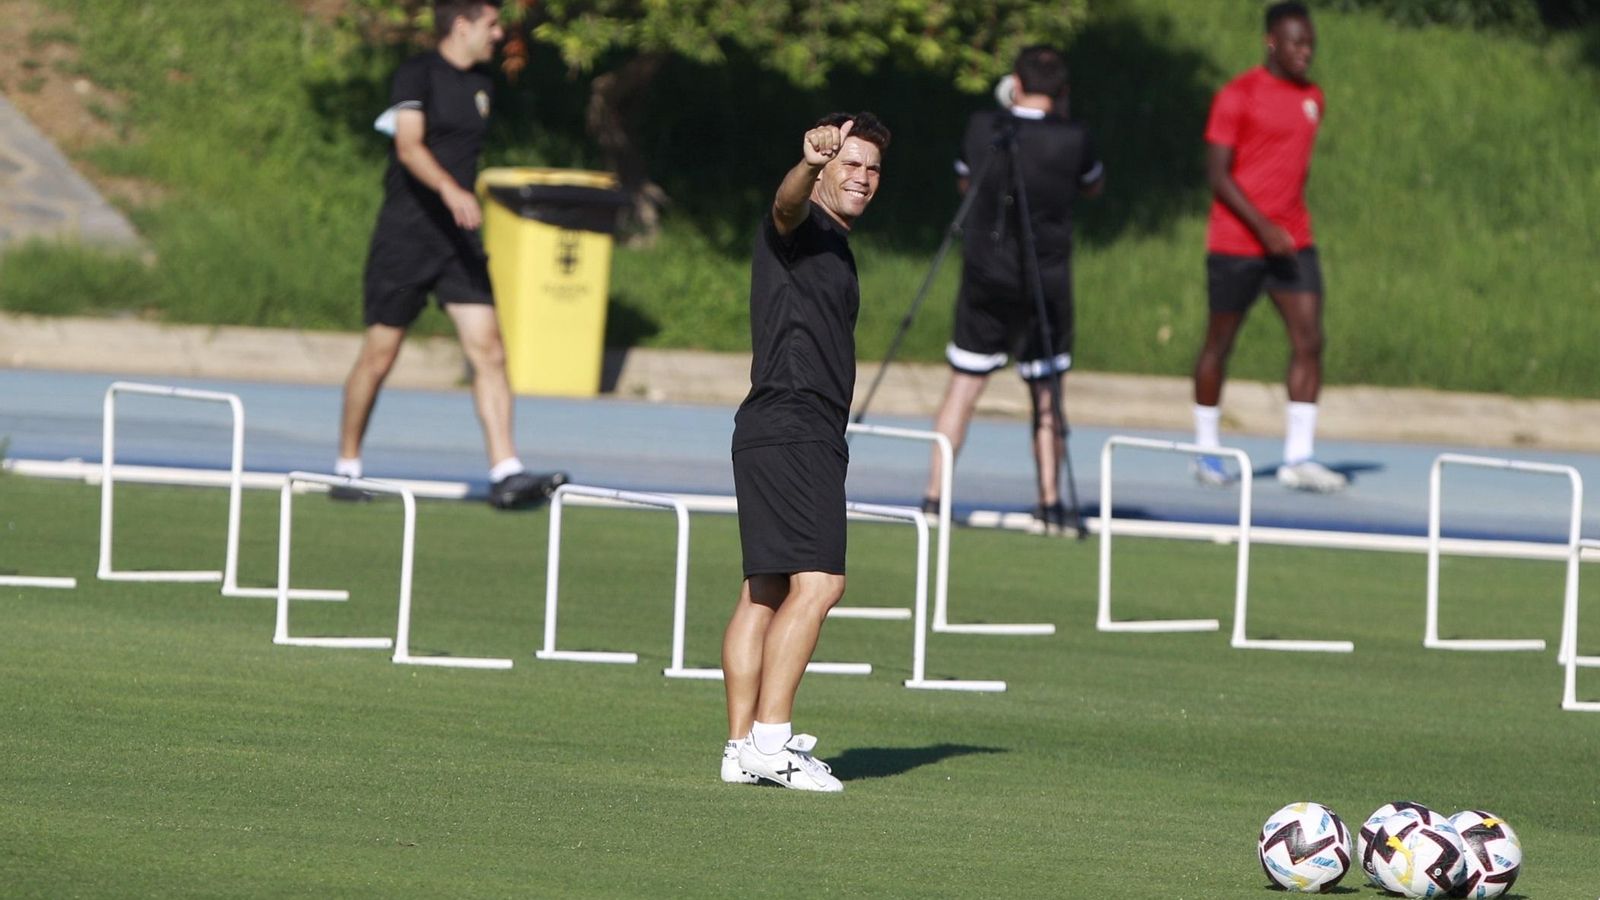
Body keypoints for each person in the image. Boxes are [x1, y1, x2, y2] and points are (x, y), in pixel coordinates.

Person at [334, 0, 565, 509]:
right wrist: (451, 190)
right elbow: (409, 147)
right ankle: (346, 467)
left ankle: (506, 471)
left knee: (489, 349)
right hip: (407, 237)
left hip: (457, 244)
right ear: (461, 25)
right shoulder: (416, 75)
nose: (500, 33)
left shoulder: (483, 83)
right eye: (491, 24)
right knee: (380, 354)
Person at [720, 112, 891, 792]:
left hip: (768, 425)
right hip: (796, 424)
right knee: (820, 583)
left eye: (873, 168)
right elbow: (784, 203)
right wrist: (805, 164)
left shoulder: (836, 247)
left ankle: (739, 748)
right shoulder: (801, 225)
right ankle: (771, 741)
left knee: (764, 592)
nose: (862, 177)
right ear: (824, 168)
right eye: (849, 163)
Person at [921, 46, 1104, 534]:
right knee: (1046, 394)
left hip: (984, 275)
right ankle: (1048, 500)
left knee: (964, 384)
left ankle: (935, 495)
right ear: (1062, 90)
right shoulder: (1074, 138)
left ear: (1015, 82)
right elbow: (1092, 186)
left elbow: (967, 184)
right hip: (1045, 283)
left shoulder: (984, 128)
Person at [1191, 1, 1346, 492]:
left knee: (1310, 340)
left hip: (1294, 242)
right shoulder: (1237, 96)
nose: (1305, 52)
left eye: (1310, 43)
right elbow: (1218, 175)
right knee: (1220, 344)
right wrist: (1262, 226)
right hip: (1238, 242)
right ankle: (1207, 451)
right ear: (1271, 42)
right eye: (1296, 43)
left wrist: (1282, 228)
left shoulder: (1314, 98)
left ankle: (1298, 457)